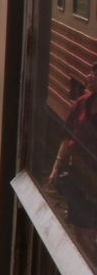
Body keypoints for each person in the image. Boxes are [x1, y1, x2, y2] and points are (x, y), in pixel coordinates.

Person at [48, 62, 97, 260]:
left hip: (94, 179)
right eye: (91, 72)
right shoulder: (82, 103)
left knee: (90, 228)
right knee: (79, 227)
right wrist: (55, 169)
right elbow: (67, 139)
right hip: (80, 176)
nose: (89, 76)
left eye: (95, 73)